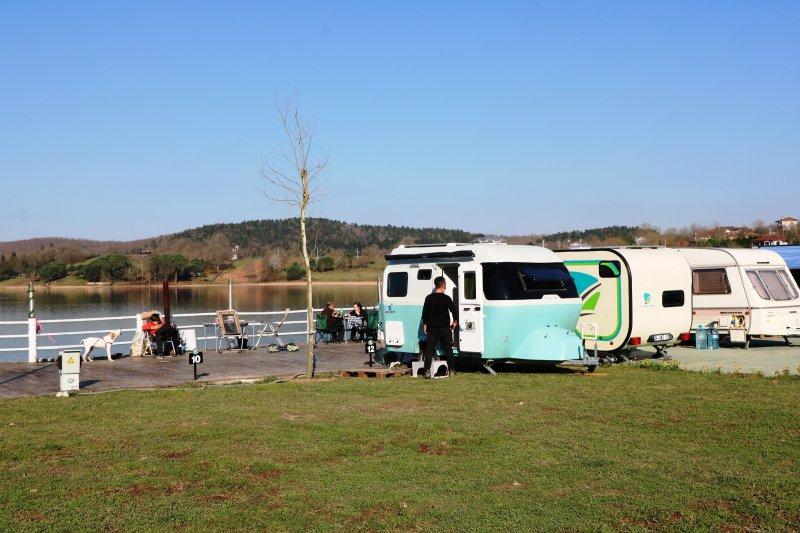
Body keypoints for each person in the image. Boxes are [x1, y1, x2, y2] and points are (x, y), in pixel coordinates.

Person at [422, 276, 458, 377]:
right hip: (445, 328)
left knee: (429, 350)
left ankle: (427, 371)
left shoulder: (429, 298)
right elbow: (454, 310)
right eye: (445, 283)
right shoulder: (446, 298)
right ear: (442, 284)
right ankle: (451, 370)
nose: (445, 285)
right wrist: (455, 321)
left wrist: (425, 324)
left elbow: (425, 313)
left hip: (432, 328)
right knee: (448, 350)